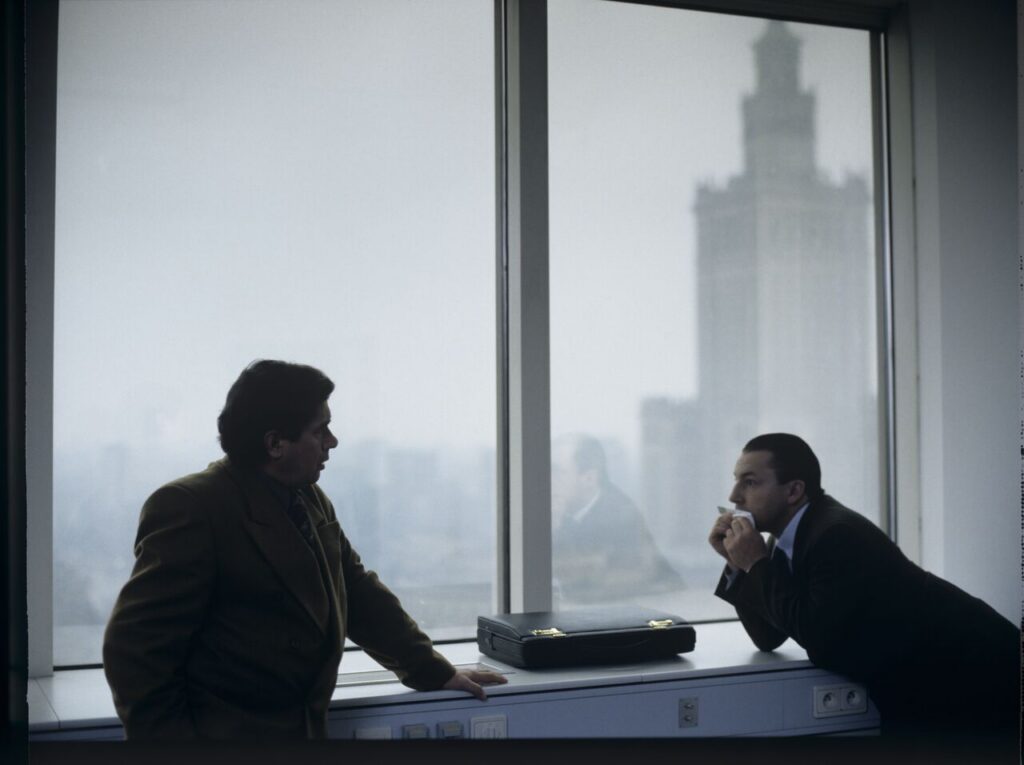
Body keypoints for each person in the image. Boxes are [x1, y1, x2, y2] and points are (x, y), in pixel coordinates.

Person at [103, 360, 505, 740]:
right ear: (276, 443)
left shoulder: (307, 497)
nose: (333, 441)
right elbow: (135, 652)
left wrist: (432, 670)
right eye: (320, 430)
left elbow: (356, 590)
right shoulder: (191, 506)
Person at [709, 433, 1019, 740]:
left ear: (793, 491)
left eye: (750, 482)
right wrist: (739, 563)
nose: (734, 495)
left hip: (974, 676)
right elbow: (769, 635)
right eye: (737, 480)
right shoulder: (785, 537)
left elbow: (815, 634)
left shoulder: (835, 534)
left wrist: (755, 563)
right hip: (929, 684)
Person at [551, 434, 683, 604]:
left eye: (557, 473)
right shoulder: (564, 511)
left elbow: (584, 581)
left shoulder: (619, 516)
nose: (547, 480)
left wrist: (554, 528)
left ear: (589, 478)